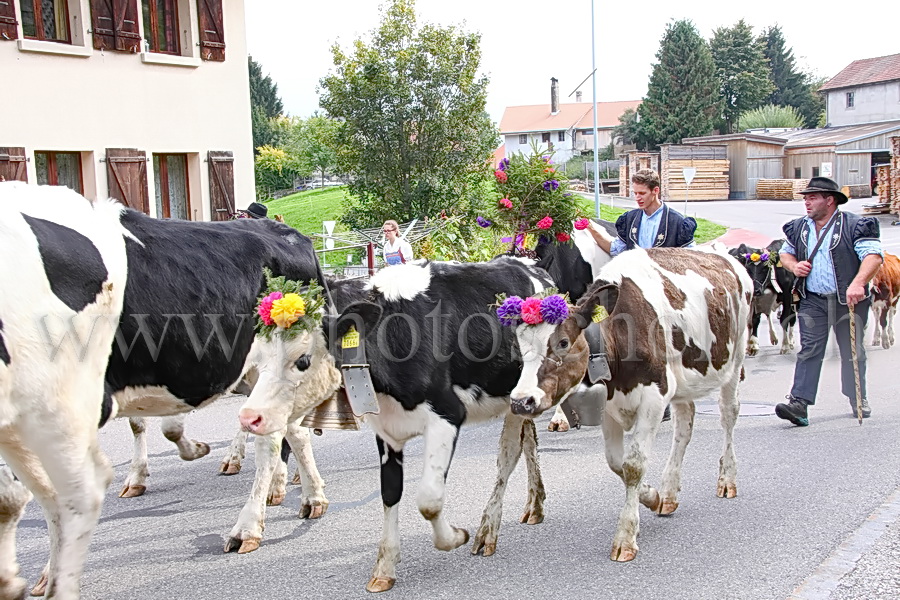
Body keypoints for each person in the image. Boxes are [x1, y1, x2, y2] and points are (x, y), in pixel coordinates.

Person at [585, 168, 697, 422]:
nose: (637, 198)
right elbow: (616, 249)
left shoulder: (677, 222)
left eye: (642, 193)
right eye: (634, 193)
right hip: (635, 291)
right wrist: (591, 229)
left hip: (665, 292)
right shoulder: (630, 220)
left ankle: (664, 397)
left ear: (655, 191)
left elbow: (690, 258)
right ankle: (634, 394)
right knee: (635, 342)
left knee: (664, 344)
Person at [774, 177, 883, 427]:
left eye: (812, 197)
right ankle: (799, 404)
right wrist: (793, 265)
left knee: (852, 351)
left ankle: (857, 397)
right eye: (805, 198)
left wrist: (857, 283)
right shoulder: (799, 228)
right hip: (814, 300)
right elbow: (785, 252)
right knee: (810, 349)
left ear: (829, 200)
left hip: (849, 300)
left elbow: (873, 257)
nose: (806, 202)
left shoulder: (856, 225)